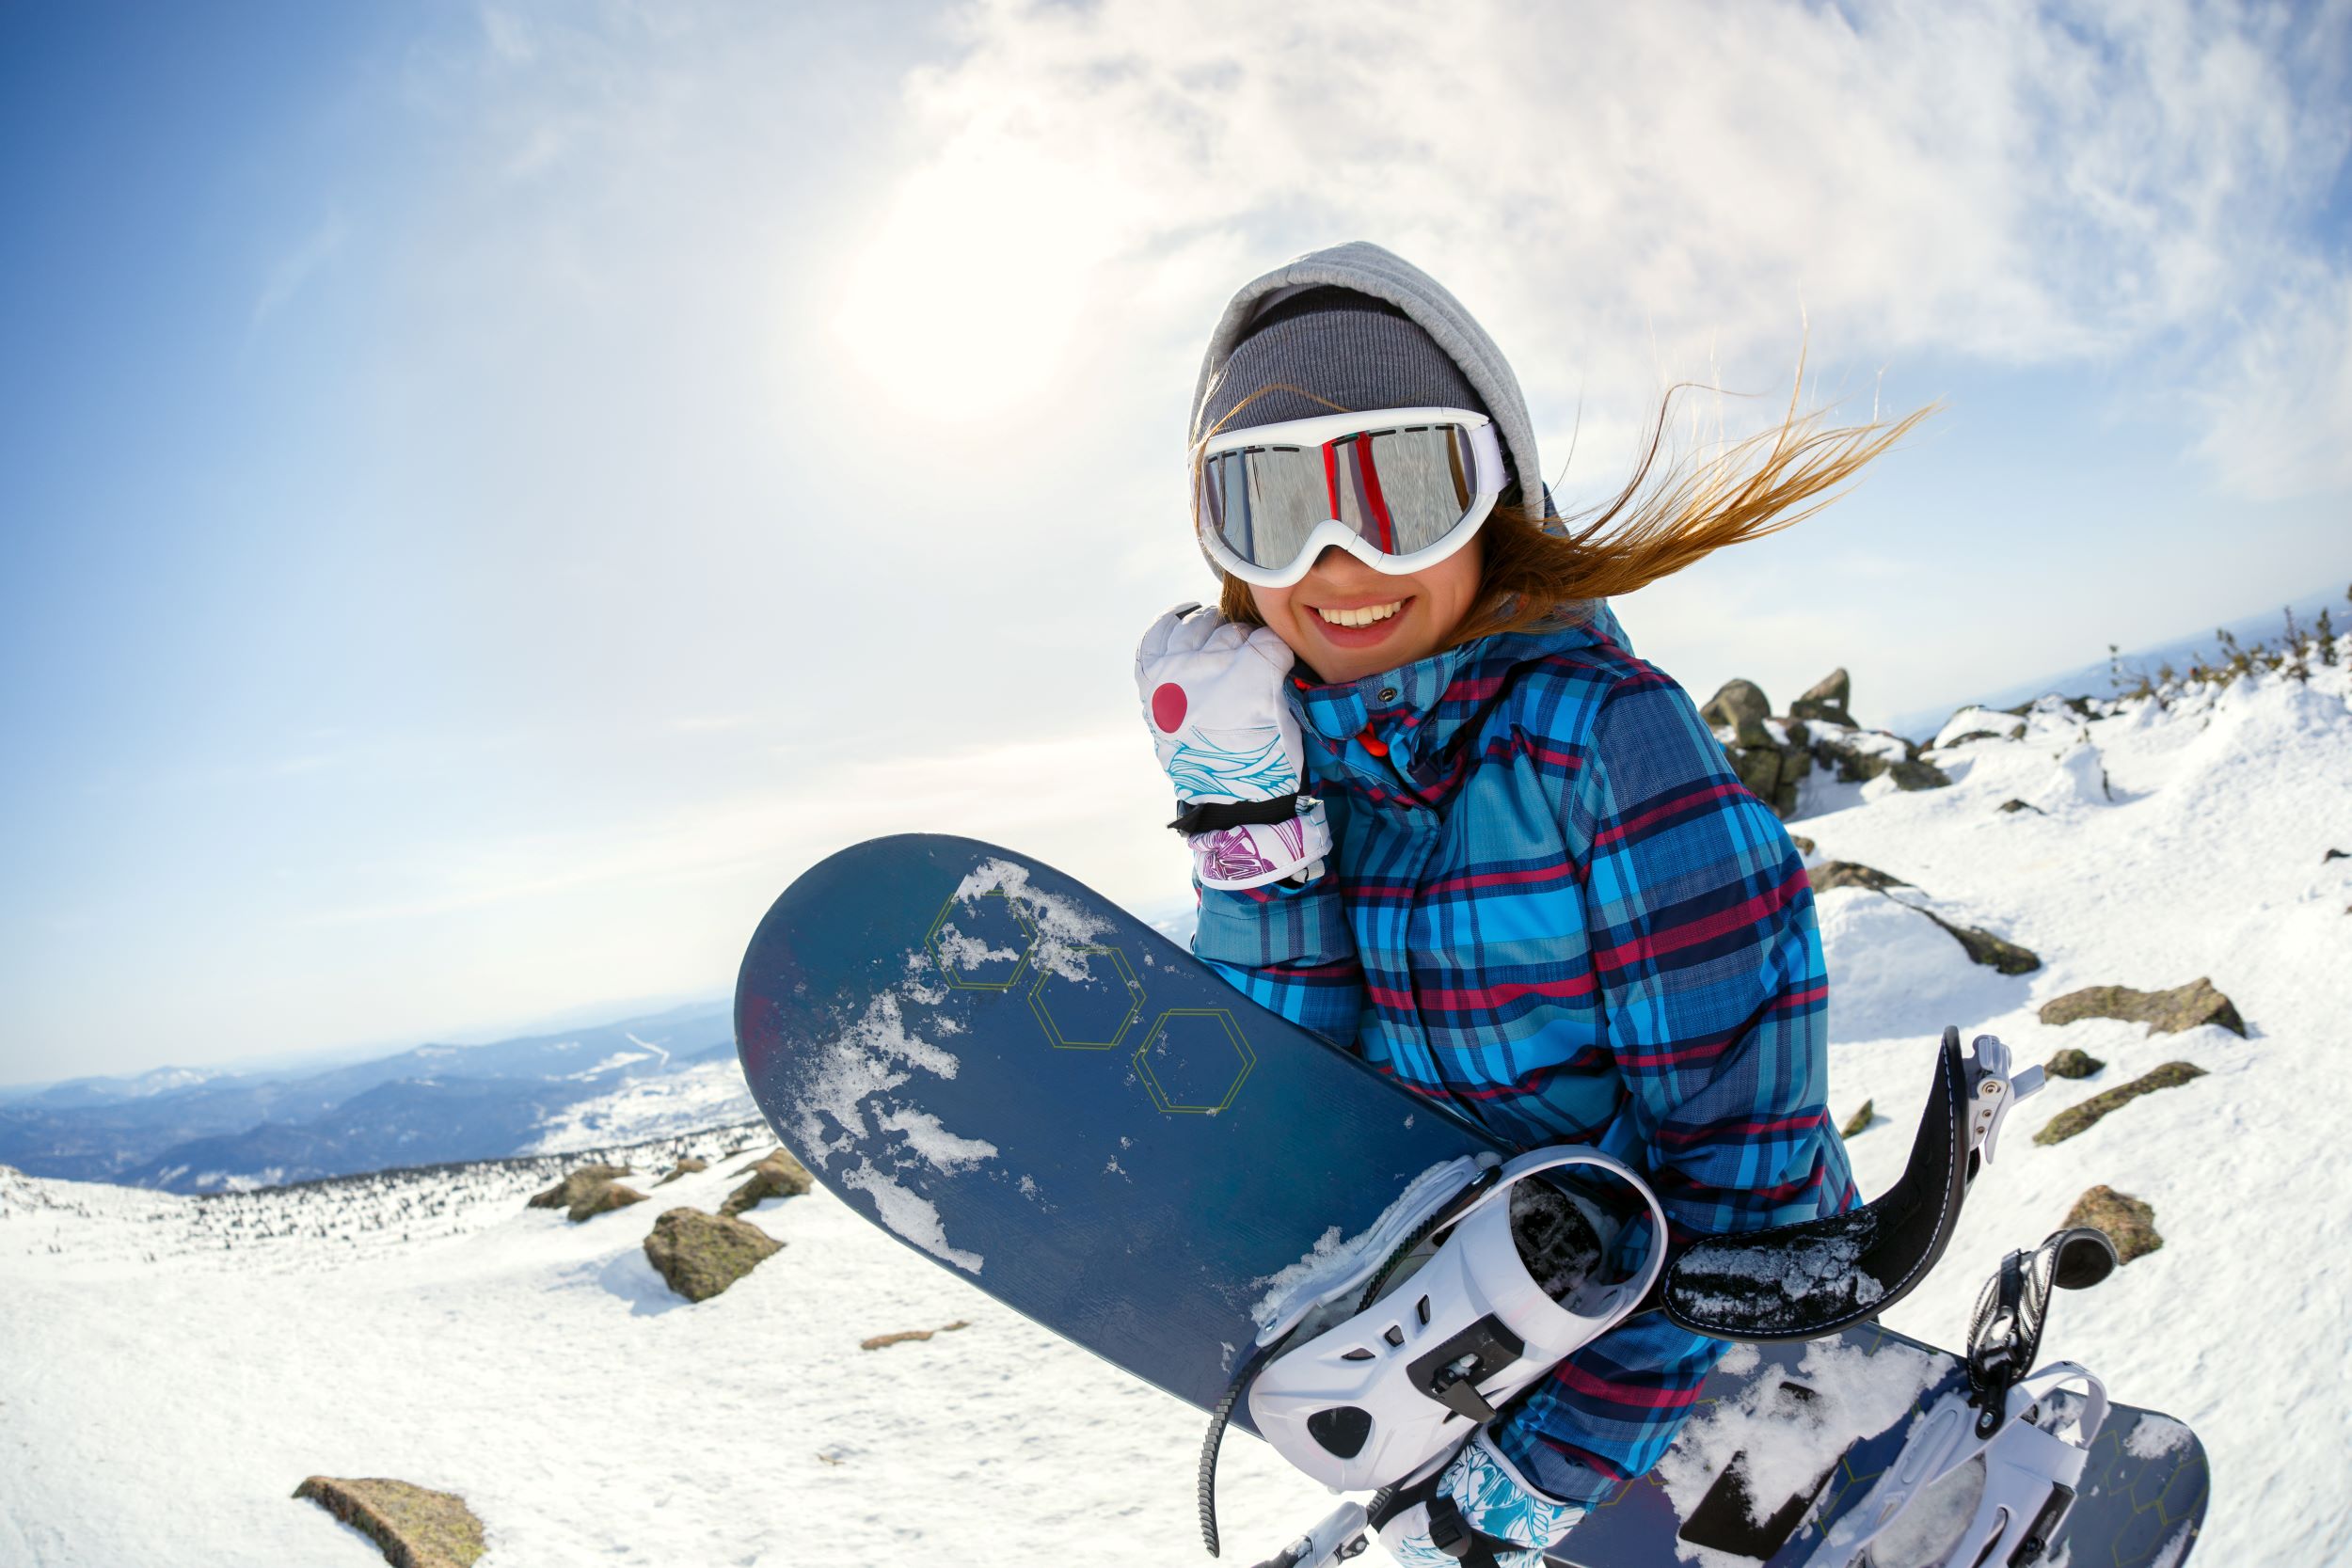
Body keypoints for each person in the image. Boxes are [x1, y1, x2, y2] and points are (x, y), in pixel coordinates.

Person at [1135, 242, 1922, 1568]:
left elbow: (1747, 1171)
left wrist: (1556, 1461)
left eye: (1401, 485)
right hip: (1478, 1348)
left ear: (1491, 490)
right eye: (1271, 507)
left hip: (1717, 1380)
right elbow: (1307, 1107)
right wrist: (1247, 824)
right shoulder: (1301, 766)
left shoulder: (1604, 742)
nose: (1338, 558)